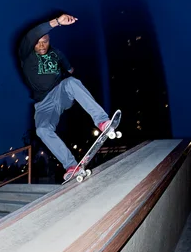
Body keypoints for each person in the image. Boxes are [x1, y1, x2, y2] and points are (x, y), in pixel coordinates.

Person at [19, 13, 118, 180]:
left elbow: (69, 67)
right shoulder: (26, 54)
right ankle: (70, 165)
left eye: (45, 41)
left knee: (71, 82)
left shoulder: (56, 53)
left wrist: (71, 70)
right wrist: (57, 22)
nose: (42, 45)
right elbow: (32, 35)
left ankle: (101, 121)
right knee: (42, 130)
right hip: (43, 104)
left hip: (61, 93)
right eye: (39, 43)